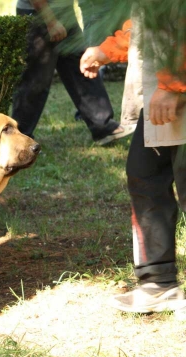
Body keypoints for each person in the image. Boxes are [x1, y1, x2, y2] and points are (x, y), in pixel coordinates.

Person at [80, 10, 186, 314]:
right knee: (144, 175)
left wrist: (172, 86)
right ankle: (158, 283)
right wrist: (107, 50)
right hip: (165, 93)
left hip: (174, 88)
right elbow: (148, 22)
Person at [12, 0, 130, 146]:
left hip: (63, 11)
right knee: (36, 80)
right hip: (40, 13)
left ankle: (103, 127)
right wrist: (51, 21)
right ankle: (20, 138)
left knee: (80, 66)